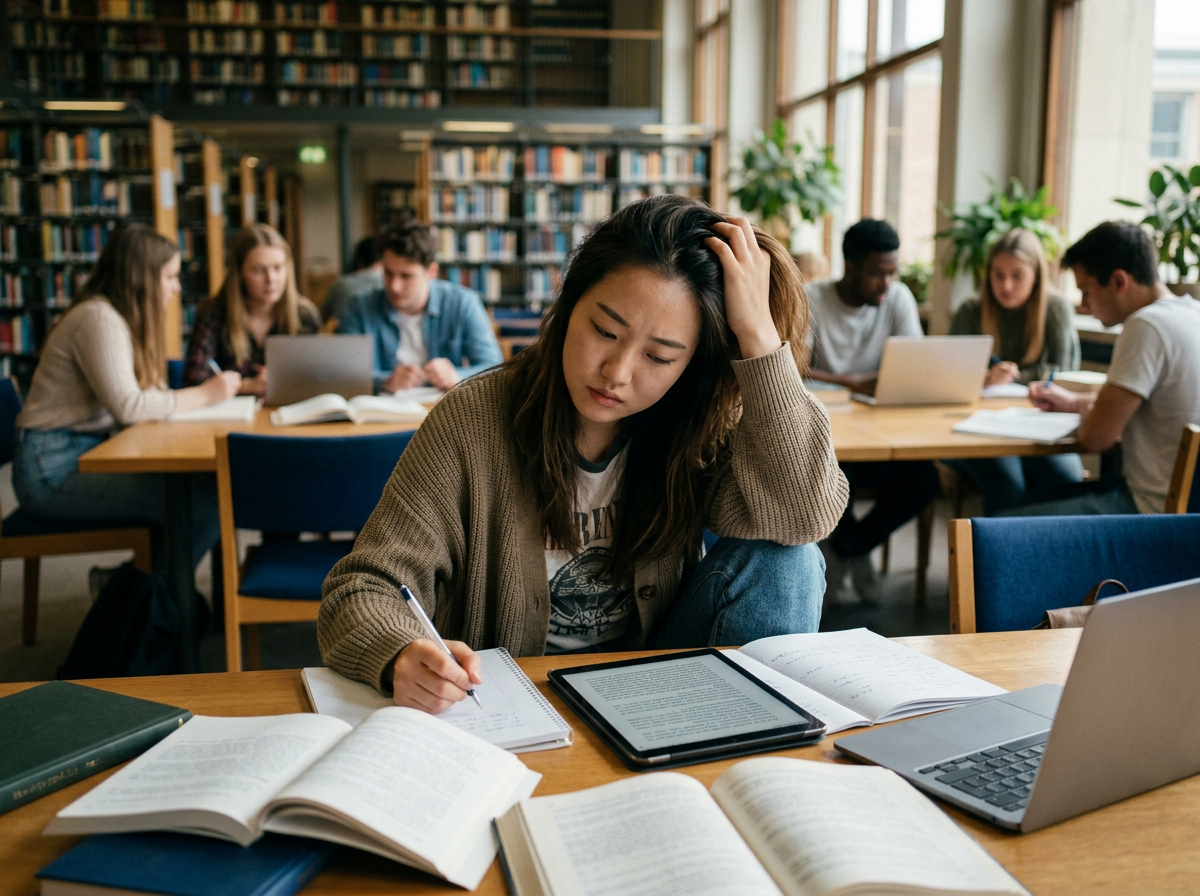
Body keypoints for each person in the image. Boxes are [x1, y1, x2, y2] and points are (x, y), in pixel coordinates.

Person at [318, 196, 849, 711]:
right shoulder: (472, 419)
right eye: (604, 330)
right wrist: (401, 655)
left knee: (791, 558)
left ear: (691, 364)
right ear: (568, 304)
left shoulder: (694, 422)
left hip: (654, 686)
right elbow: (362, 587)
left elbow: (802, 515)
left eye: (659, 356)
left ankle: (745, 762)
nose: (617, 373)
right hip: (513, 700)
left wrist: (758, 337)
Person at [13, 224, 241, 569]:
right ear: (142, 279)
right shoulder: (98, 319)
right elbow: (130, 406)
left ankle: (143, 598)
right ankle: (139, 601)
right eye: (169, 277)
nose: (176, 288)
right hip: (51, 471)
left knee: (204, 491)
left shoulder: (114, 317)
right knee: (207, 503)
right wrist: (207, 394)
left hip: (77, 453)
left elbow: (142, 396)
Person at [1004, 221, 1200, 517]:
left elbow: (1096, 439)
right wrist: (1075, 403)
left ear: (1120, 281)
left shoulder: (1146, 327)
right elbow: (1148, 404)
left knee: (995, 528)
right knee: (1026, 502)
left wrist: (1088, 412)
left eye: (1086, 291)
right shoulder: (1190, 313)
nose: (1083, 306)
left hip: (1151, 515)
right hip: (1188, 511)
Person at [805, 219, 941, 603]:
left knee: (925, 480)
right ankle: (854, 552)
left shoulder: (896, 299)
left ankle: (850, 549)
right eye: (876, 273)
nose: (886, 283)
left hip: (882, 428)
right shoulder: (810, 297)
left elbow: (914, 363)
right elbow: (794, 365)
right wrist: (852, 382)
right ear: (850, 266)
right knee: (822, 475)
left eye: (891, 272)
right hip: (829, 433)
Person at [946, 229, 1085, 514]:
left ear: (1036, 275)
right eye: (998, 274)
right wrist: (986, 379)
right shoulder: (971, 310)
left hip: (1037, 421)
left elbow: (1064, 370)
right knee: (1007, 483)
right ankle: (999, 555)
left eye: (1017, 275)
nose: (1006, 285)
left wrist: (1013, 377)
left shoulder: (1055, 308)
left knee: (1065, 478)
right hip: (975, 426)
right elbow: (949, 374)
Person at [336, 220, 503, 394]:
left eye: (406, 276)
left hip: (445, 412)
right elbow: (343, 374)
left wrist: (457, 377)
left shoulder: (463, 303)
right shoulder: (358, 306)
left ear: (431, 272)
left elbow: (495, 368)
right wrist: (386, 381)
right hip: (379, 415)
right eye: (388, 273)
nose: (394, 286)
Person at [183, 224, 321, 396]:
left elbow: (317, 378)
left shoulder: (305, 315)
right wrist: (245, 386)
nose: (271, 279)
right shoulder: (214, 313)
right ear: (240, 273)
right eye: (258, 270)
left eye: (278, 268)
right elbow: (193, 380)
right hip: (230, 418)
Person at [322, 235, 384, 326]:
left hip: (341, 339)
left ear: (358, 260)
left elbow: (325, 316)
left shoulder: (340, 284)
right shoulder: (387, 285)